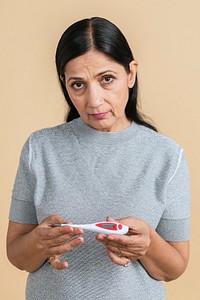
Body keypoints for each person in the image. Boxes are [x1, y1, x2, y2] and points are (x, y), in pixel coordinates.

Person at [7, 17, 190, 300]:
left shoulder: (167, 156)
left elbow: (174, 267)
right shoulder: (39, 148)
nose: (94, 100)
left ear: (131, 74)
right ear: (63, 84)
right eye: (77, 85)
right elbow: (18, 256)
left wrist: (148, 244)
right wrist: (39, 244)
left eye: (107, 79)